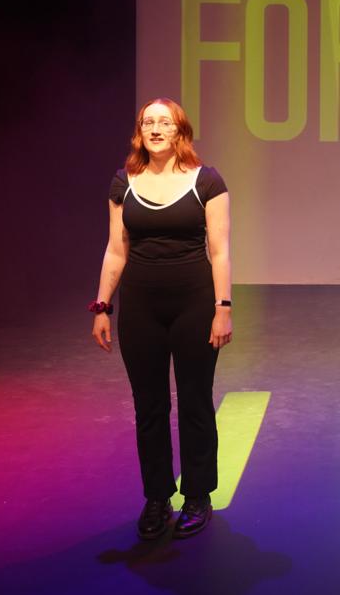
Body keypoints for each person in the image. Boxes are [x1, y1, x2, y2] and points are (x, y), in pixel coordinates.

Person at [90, 98, 233, 538]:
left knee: (194, 400)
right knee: (149, 406)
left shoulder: (206, 181)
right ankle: (156, 498)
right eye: (147, 122)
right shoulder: (124, 182)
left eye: (164, 122)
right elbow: (116, 250)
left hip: (194, 305)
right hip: (141, 309)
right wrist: (102, 306)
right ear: (139, 132)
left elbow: (220, 251)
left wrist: (223, 309)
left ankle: (197, 495)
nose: (155, 129)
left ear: (180, 132)